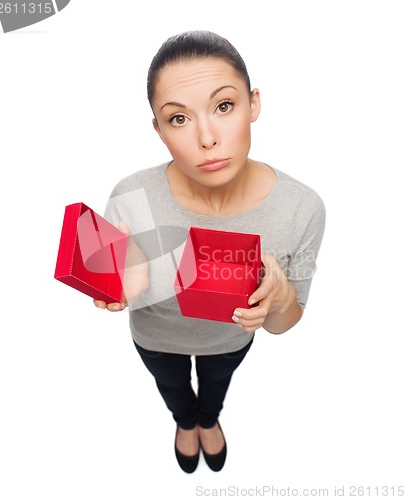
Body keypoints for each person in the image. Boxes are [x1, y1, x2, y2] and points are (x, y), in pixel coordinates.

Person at [94, 30, 326, 473]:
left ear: (253, 103)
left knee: (217, 382)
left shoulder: (301, 207)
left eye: (224, 106)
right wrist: (119, 283)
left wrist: (278, 301)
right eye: (178, 118)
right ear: (159, 129)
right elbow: (116, 279)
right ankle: (185, 421)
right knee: (172, 386)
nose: (206, 137)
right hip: (156, 340)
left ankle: (210, 418)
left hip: (230, 341)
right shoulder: (130, 195)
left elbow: (287, 320)